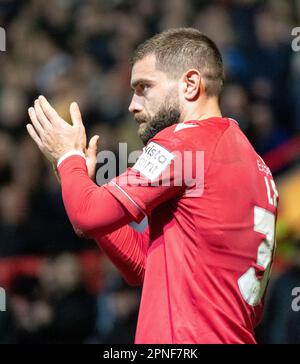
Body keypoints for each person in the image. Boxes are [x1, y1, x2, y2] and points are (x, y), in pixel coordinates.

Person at [27, 28, 279, 344]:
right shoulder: (255, 166)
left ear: (190, 84)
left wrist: (68, 159)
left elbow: (86, 215)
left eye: (144, 87)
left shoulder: (186, 143)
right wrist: (80, 180)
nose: (133, 104)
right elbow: (144, 265)